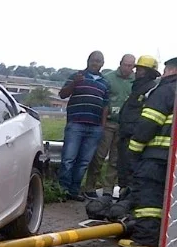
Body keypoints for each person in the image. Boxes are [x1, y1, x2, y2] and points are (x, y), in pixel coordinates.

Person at [118, 56, 177, 247]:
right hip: (171, 158)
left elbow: (148, 123)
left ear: (170, 70)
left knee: (149, 197)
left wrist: (134, 151)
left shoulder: (166, 90)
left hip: (157, 156)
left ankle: (146, 239)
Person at [57, 51, 110, 201]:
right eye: (93, 60)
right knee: (68, 159)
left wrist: (102, 127)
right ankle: (63, 190)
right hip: (76, 124)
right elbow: (62, 95)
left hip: (95, 128)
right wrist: (74, 83)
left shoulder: (105, 83)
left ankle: (74, 191)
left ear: (102, 64)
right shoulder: (77, 76)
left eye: (99, 61)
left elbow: (105, 106)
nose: (96, 63)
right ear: (88, 61)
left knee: (83, 162)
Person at [83, 54, 135, 199]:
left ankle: (108, 189)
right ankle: (90, 186)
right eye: (126, 65)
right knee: (99, 157)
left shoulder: (135, 81)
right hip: (108, 123)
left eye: (131, 66)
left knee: (115, 160)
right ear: (120, 63)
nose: (128, 68)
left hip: (123, 125)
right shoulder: (108, 78)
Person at [115, 55, 161, 191]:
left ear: (149, 72)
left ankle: (128, 201)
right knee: (123, 169)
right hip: (126, 135)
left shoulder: (150, 89)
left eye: (140, 70)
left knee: (131, 171)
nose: (137, 72)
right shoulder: (138, 88)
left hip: (134, 137)